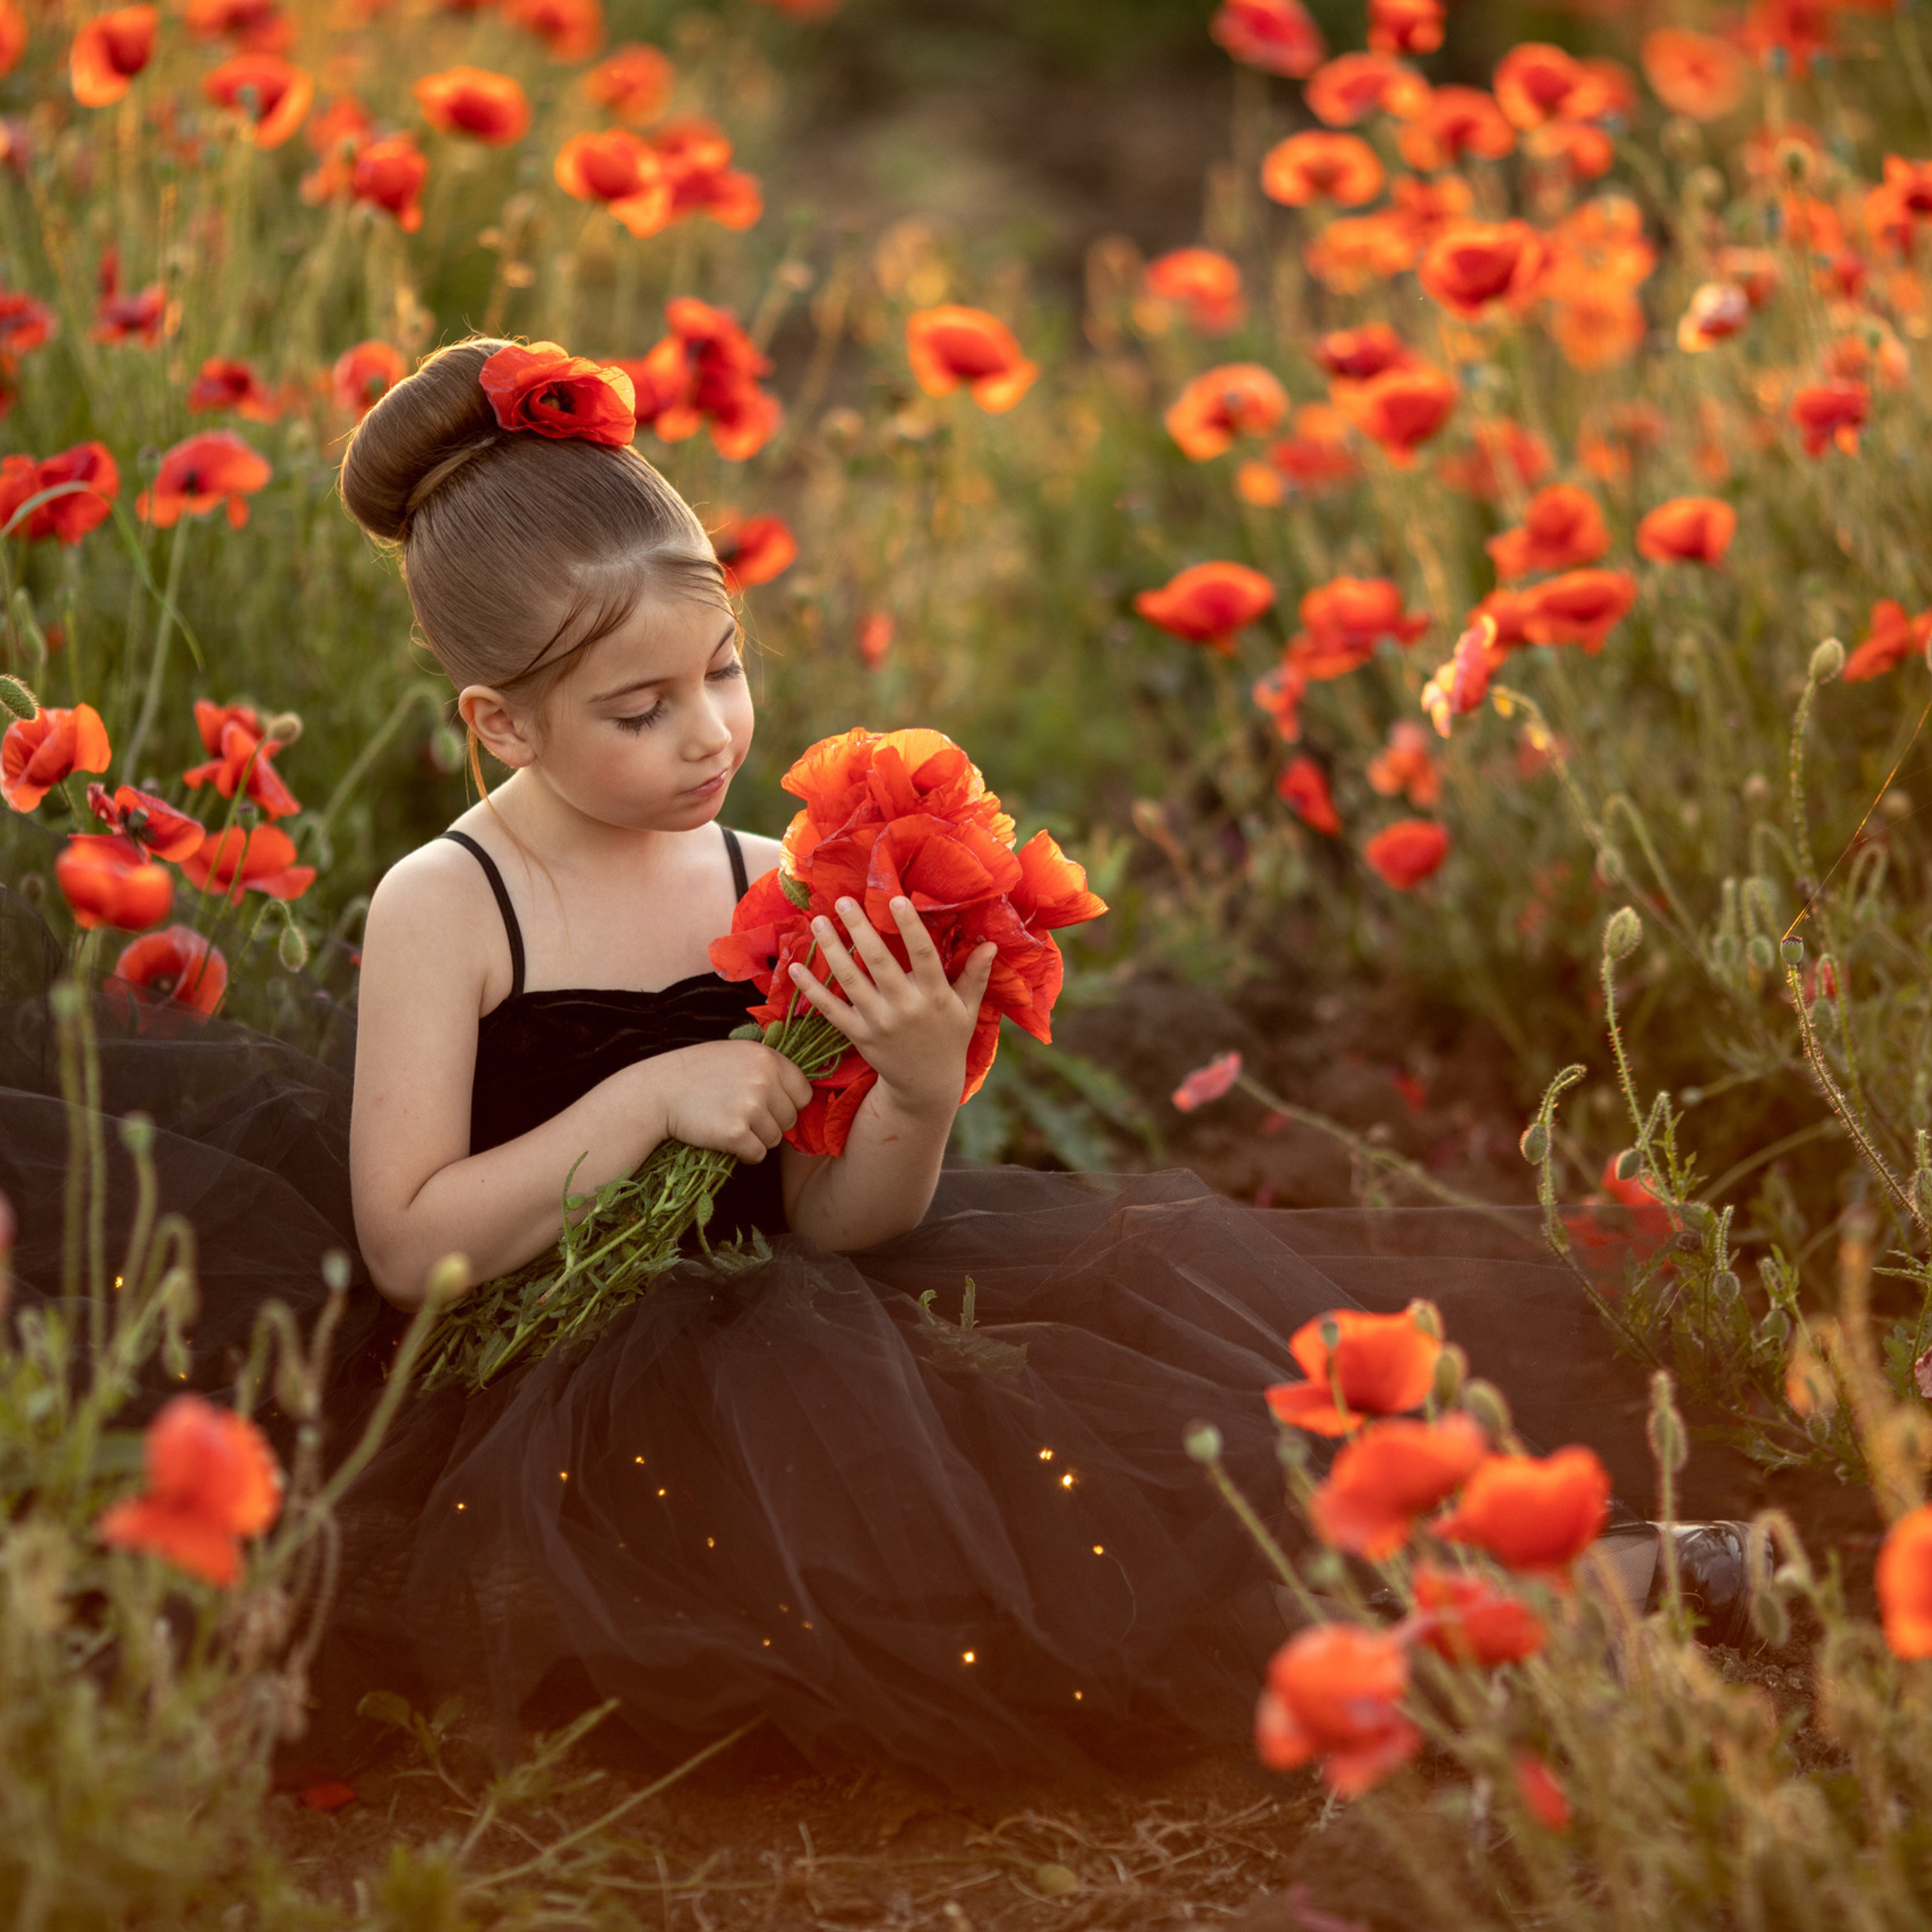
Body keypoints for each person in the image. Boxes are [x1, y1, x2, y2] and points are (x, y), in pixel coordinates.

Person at [0, 334, 1746, 1795]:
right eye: (639, 710)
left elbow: (837, 1224)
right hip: (552, 1391)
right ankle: (1438, 1640)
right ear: (499, 722)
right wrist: (640, 1103)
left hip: (801, 1321)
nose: (708, 733)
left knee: (1148, 1429)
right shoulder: (453, 901)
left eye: (723, 671)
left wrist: (913, 1083)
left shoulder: (771, 876)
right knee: (992, 1562)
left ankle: (1513, 1574)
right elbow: (404, 1240)